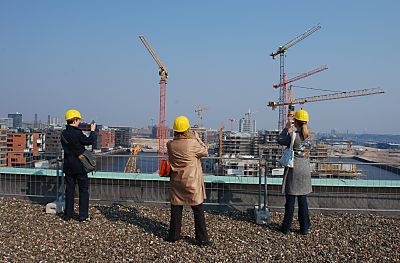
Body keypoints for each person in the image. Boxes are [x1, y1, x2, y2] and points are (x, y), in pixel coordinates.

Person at [166, 116, 213, 247]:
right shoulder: (192, 144)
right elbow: (205, 151)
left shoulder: (170, 144)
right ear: (187, 129)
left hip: (176, 180)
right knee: (197, 210)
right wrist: (197, 138)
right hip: (191, 182)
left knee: (176, 208)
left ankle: (173, 236)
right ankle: (202, 239)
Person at [278, 109, 312, 235]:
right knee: (303, 200)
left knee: (291, 200)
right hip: (305, 169)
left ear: (296, 121)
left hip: (294, 169)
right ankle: (304, 227)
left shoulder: (293, 135)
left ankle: (286, 227)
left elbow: (280, 140)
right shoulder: (310, 135)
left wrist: (287, 128)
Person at [61, 109, 97, 222]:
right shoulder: (78, 133)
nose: (79, 122)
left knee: (69, 190)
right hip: (80, 166)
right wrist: (92, 130)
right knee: (83, 190)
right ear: (75, 120)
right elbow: (89, 141)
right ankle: (82, 216)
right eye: (78, 120)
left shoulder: (63, 134)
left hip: (68, 165)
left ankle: (68, 215)